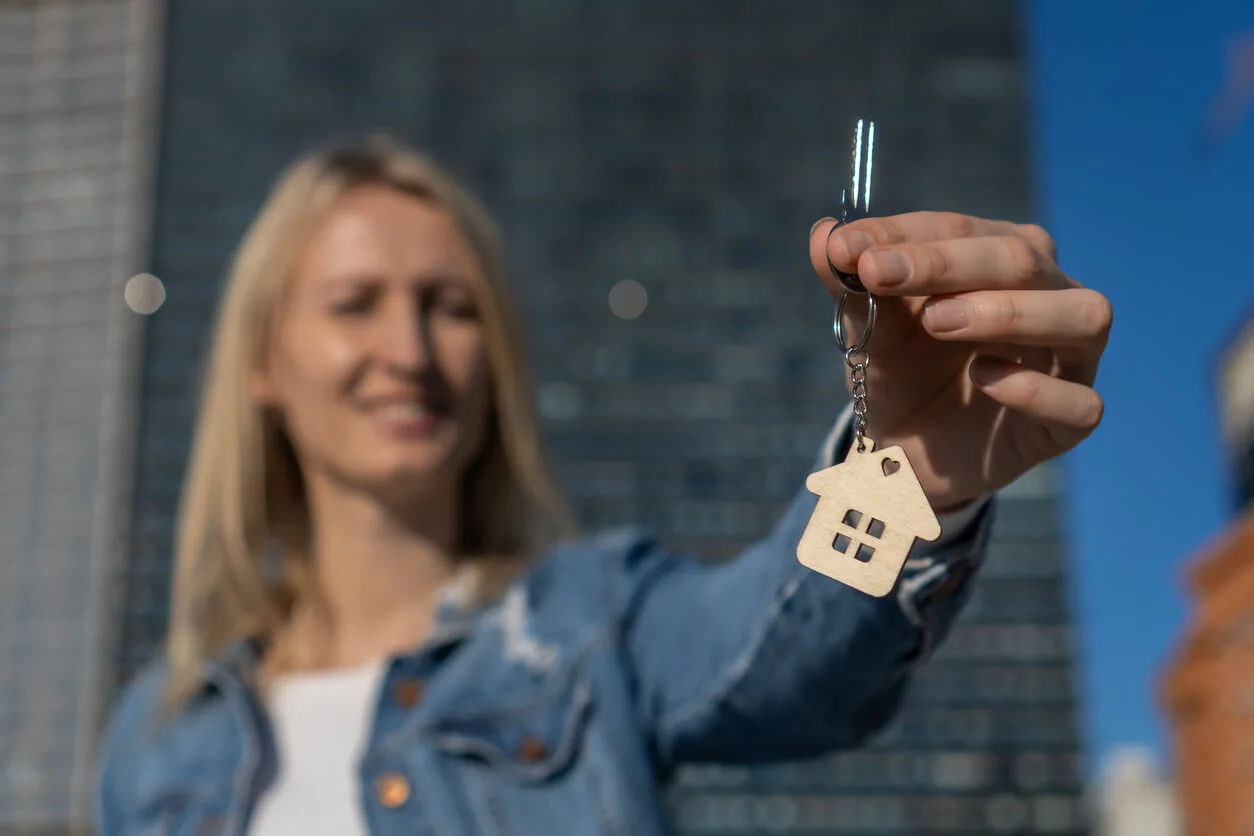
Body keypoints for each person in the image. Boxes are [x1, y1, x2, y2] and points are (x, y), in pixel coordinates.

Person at [95, 135, 1111, 836]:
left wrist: (903, 471)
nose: (407, 349)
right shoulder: (156, 734)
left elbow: (789, 649)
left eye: (449, 306)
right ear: (264, 362)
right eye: (354, 305)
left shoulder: (593, 622)